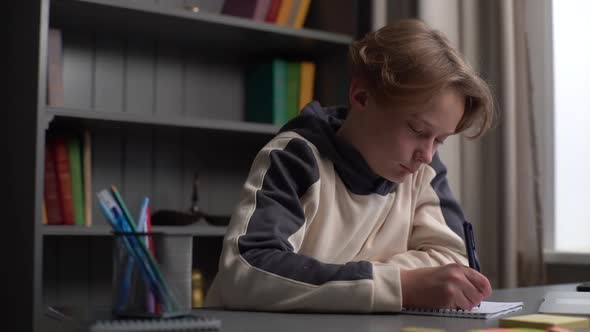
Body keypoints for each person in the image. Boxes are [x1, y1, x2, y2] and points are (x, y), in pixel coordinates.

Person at [205, 18, 495, 313]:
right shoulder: (295, 158)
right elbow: (245, 271)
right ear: (361, 96)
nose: (428, 155)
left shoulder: (424, 171)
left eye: (440, 140)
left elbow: (457, 267)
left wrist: (357, 282)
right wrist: (402, 285)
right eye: (418, 130)